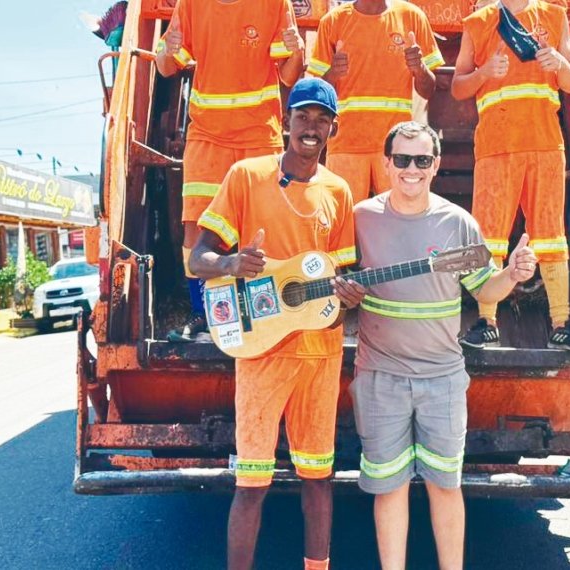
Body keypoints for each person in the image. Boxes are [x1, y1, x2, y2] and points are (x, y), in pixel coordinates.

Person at [336, 121, 536, 570]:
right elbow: (337, 285)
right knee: (388, 488)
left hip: (442, 380)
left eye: (422, 160)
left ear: (436, 165)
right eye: (402, 159)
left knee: (445, 486)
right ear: (386, 163)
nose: (412, 169)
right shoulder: (361, 218)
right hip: (379, 377)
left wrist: (514, 274)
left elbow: (485, 289)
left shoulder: (456, 223)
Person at [188, 78, 358, 570]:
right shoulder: (245, 175)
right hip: (261, 352)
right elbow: (200, 258)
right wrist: (231, 264)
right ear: (285, 122)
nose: (311, 126)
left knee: (318, 478)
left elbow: (339, 278)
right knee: (252, 483)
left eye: (321, 119)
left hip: (319, 355)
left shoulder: (338, 191)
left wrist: (349, 297)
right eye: (302, 116)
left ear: (333, 129)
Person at [156, 0, 307, 342]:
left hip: (258, 133)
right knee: (196, 226)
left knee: (264, 227)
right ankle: (202, 313)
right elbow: (166, 66)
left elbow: (289, 74)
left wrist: (297, 51)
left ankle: (266, 312)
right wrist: (169, 50)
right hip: (207, 135)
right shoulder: (191, 5)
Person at [450, 0, 570, 352]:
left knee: (550, 235)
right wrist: (485, 73)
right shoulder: (478, 23)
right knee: (489, 235)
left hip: (545, 144)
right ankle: (487, 322)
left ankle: (561, 324)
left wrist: (559, 63)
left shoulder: (553, 16)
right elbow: (457, 87)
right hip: (495, 147)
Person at [308, 0, 444, 204]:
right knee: (342, 223)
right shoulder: (333, 21)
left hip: (395, 148)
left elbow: (428, 91)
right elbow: (316, 95)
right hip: (346, 144)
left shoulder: (412, 17)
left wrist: (420, 68)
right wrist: (332, 73)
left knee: (398, 219)